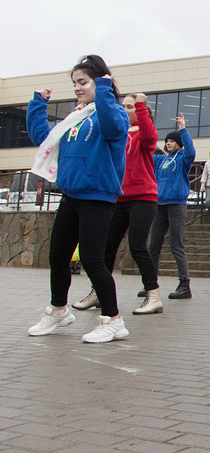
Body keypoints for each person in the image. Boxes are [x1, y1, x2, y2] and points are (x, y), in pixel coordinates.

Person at [26, 55, 131, 343]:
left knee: (92, 259)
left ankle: (113, 320)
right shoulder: (76, 118)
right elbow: (43, 139)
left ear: (100, 83)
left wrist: (107, 92)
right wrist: (38, 104)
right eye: (74, 83)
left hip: (98, 196)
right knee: (57, 255)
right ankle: (58, 311)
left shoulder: (114, 114)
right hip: (71, 195)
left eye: (82, 82)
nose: (77, 88)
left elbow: (111, 129)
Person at [71, 92, 158, 315]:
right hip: (118, 197)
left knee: (137, 246)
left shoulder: (145, 135)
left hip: (143, 197)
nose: (127, 109)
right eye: (125, 106)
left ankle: (153, 294)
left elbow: (149, 134)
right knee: (105, 249)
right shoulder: (116, 134)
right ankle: (98, 293)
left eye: (131, 107)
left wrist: (141, 105)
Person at [149, 114, 197, 300]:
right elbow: (147, 150)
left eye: (172, 141)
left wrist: (183, 129)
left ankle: (184, 284)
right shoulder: (160, 160)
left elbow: (191, 151)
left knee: (176, 244)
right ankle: (150, 284)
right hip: (159, 204)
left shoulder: (183, 158)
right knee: (153, 245)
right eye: (166, 141)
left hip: (176, 204)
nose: (168, 144)